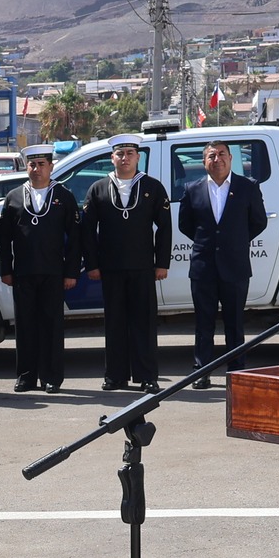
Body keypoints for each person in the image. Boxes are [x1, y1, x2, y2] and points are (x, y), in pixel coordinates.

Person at [81, 139, 174, 392]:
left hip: (143, 266)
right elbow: (87, 230)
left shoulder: (152, 187)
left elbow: (164, 228)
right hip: (110, 267)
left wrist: (161, 263)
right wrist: (92, 264)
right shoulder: (98, 188)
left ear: (138, 157)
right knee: (114, 322)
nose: (125, 158)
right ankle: (115, 376)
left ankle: (147, 376)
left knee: (143, 323)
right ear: (112, 158)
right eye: (120, 154)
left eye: (130, 153)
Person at [176, 140, 267, 386]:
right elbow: (185, 225)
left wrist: (235, 240)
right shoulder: (192, 189)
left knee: (234, 322)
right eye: (211, 156)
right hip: (203, 267)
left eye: (222, 154)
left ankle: (236, 373)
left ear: (231, 158)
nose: (217, 159)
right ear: (204, 162)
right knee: (203, 323)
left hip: (235, 266)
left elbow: (258, 222)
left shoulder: (247, 187)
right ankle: (201, 371)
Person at [0, 143, 80, 392]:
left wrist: (71, 272)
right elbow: (4, 239)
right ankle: (26, 376)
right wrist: (6, 270)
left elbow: (75, 238)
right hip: (23, 273)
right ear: (26, 166)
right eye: (32, 164)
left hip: (54, 272)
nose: (36, 169)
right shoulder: (13, 197)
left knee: (51, 326)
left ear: (51, 166)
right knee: (25, 326)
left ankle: (52, 377)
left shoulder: (64, 196)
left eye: (42, 164)